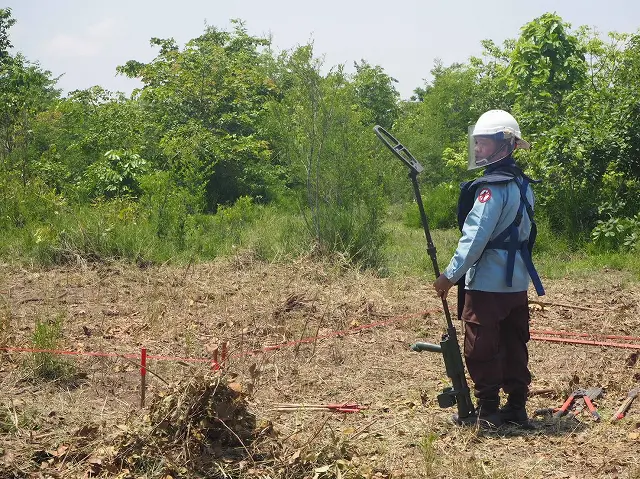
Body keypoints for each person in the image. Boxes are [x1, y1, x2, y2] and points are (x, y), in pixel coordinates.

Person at [432, 109, 545, 428]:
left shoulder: (489, 189)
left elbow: (474, 238)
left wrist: (449, 276)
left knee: (480, 346)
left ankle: (490, 412)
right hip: (516, 283)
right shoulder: (524, 185)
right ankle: (516, 407)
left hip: (487, 285)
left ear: (504, 146)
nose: (478, 149)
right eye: (477, 143)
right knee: (513, 343)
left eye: (483, 144)